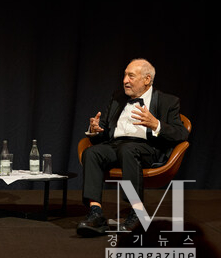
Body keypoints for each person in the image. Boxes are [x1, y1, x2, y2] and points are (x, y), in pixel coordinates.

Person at [77, 58, 189, 237]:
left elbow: (182, 134)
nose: (125, 80)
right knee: (92, 153)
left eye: (131, 76)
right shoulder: (117, 98)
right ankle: (95, 213)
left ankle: (136, 213)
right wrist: (94, 130)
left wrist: (156, 125)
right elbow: (104, 132)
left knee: (128, 149)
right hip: (115, 145)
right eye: (124, 75)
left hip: (146, 148)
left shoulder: (168, 101)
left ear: (147, 80)